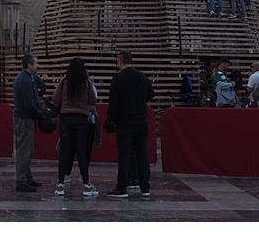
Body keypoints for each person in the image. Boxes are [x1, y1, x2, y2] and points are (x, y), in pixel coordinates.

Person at [105, 50, 154, 199]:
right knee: (142, 154)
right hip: (141, 121)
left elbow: (113, 102)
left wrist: (112, 119)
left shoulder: (118, 78)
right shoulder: (142, 76)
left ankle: (121, 187)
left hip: (125, 122)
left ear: (120, 60)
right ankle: (145, 187)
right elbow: (151, 94)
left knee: (125, 155)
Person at [52, 58, 98, 197]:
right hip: (81, 120)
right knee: (81, 152)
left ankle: (60, 185)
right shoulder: (86, 83)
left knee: (65, 152)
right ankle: (86, 185)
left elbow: (55, 99)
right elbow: (92, 101)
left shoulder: (64, 82)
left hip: (65, 118)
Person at [12, 53, 44, 192]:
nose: (38, 65)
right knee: (24, 151)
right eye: (36, 63)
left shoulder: (29, 77)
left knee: (28, 150)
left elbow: (41, 85)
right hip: (25, 118)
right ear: (29, 65)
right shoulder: (24, 80)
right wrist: (40, 115)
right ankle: (21, 180)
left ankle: (28, 177)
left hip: (27, 118)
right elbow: (28, 103)